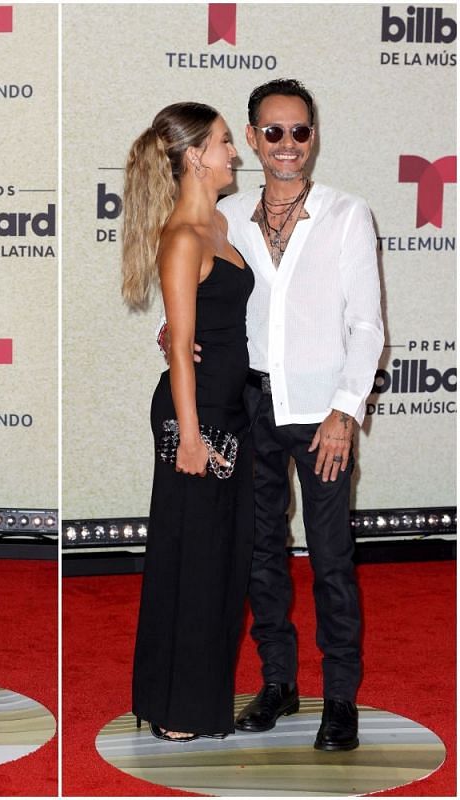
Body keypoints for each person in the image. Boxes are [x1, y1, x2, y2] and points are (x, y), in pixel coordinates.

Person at [217, 78, 384, 751]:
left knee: (332, 558)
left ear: (313, 137)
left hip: (322, 414)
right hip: (250, 405)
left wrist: (345, 412)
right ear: (252, 137)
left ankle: (339, 698)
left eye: (301, 132)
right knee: (261, 555)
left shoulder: (346, 214)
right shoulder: (224, 215)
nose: (288, 146)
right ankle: (279, 682)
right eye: (274, 132)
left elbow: (367, 326)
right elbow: (212, 303)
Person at [123, 103, 255, 740]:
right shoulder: (181, 236)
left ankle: (189, 699)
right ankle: (178, 708)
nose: (236, 153)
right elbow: (179, 347)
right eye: (228, 142)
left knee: (222, 561)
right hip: (194, 416)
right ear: (196, 156)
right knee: (194, 561)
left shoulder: (222, 224)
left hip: (232, 408)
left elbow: (195, 328)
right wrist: (193, 434)